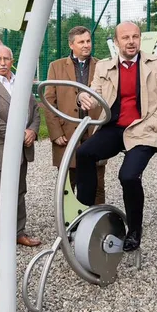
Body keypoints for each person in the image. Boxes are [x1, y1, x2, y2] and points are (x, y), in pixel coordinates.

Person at [75, 21, 157, 252]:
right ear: (117, 41)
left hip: (142, 128)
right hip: (114, 127)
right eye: (125, 38)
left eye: (135, 37)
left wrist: (151, 124)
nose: (131, 42)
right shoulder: (104, 66)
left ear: (140, 39)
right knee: (84, 153)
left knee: (129, 176)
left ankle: (134, 230)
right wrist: (85, 98)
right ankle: (86, 213)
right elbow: (93, 93)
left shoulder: (156, 65)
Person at [0, 45, 42, 248]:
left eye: (6, 58)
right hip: (0, 148)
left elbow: (35, 110)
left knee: (19, 191)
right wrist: (19, 136)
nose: (3, 63)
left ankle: (18, 232)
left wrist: (32, 130)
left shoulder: (21, 83)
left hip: (23, 148)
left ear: (12, 61)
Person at [43, 26, 106, 203]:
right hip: (68, 134)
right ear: (72, 45)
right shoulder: (56, 67)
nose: (86, 45)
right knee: (67, 185)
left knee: (97, 183)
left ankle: (96, 223)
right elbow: (49, 102)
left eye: (88, 41)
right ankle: (69, 225)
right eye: (81, 42)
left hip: (94, 134)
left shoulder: (102, 66)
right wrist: (56, 133)